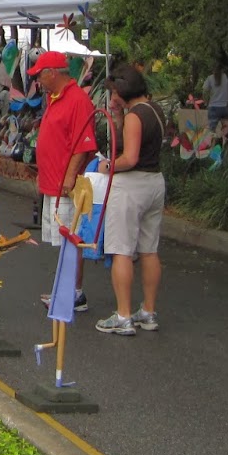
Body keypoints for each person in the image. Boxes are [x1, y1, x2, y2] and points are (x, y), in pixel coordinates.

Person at [94, 67, 165, 336]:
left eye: (114, 91)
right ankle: (148, 311)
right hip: (154, 182)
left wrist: (108, 165)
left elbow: (129, 157)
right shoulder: (155, 110)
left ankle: (123, 315)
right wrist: (117, 115)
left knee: (121, 249)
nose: (112, 95)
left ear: (122, 91)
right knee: (149, 249)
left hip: (132, 185)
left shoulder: (136, 117)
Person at [31, 49, 97, 313]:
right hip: (53, 181)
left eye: (39, 75)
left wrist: (70, 177)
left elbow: (83, 145)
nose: (37, 80)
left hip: (66, 184)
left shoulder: (77, 100)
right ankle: (64, 288)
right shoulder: (54, 98)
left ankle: (74, 292)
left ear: (52, 73)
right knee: (62, 238)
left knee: (71, 238)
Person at [203, 64, 228, 141]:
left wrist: (206, 102)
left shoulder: (210, 78)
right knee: (226, 129)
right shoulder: (227, 77)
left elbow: (205, 91)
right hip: (226, 106)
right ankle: (226, 144)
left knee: (211, 131)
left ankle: (212, 147)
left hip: (213, 107)